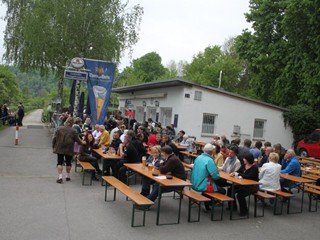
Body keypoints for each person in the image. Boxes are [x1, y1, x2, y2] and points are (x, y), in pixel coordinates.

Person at [191, 143, 226, 211]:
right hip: (203, 185)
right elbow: (215, 176)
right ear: (211, 151)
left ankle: (207, 202)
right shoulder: (209, 160)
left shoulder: (199, 157)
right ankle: (209, 203)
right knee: (223, 191)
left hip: (194, 183)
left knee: (215, 185)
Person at [52, 117, 84, 183]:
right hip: (69, 148)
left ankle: (60, 177)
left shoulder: (59, 128)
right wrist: (83, 143)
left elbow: (54, 138)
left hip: (59, 147)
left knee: (59, 162)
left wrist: (53, 146)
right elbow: (78, 141)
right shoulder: (73, 131)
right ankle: (67, 176)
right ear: (72, 123)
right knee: (68, 162)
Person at [230, 152, 259, 216]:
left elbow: (249, 176)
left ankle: (244, 211)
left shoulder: (254, 167)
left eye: (244, 158)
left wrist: (239, 174)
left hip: (252, 186)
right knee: (230, 189)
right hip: (242, 185)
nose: (243, 159)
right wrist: (234, 173)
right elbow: (238, 172)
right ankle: (233, 207)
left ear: (248, 159)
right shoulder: (243, 165)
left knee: (240, 195)